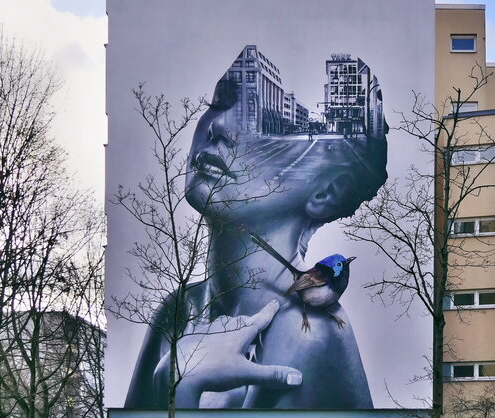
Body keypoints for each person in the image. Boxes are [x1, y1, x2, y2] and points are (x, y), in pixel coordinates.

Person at [125, 51, 388, 409]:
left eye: (268, 123)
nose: (219, 126)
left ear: (327, 192)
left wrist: (178, 387)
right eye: (219, 101)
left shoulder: (306, 332)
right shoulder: (177, 310)